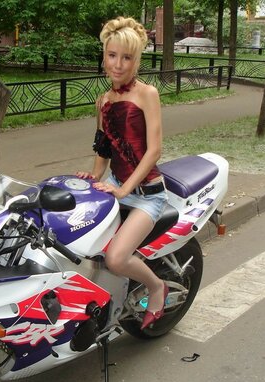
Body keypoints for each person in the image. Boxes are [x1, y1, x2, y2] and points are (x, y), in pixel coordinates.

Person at [76, 16, 169, 330]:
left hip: (148, 194)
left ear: (136, 60)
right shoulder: (103, 100)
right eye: (112, 55)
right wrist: (95, 176)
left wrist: (124, 189)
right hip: (116, 183)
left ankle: (157, 287)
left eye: (126, 57)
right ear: (104, 56)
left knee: (115, 259)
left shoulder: (147, 94)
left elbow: (154, 150)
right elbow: (104, 144)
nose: (118, 64)